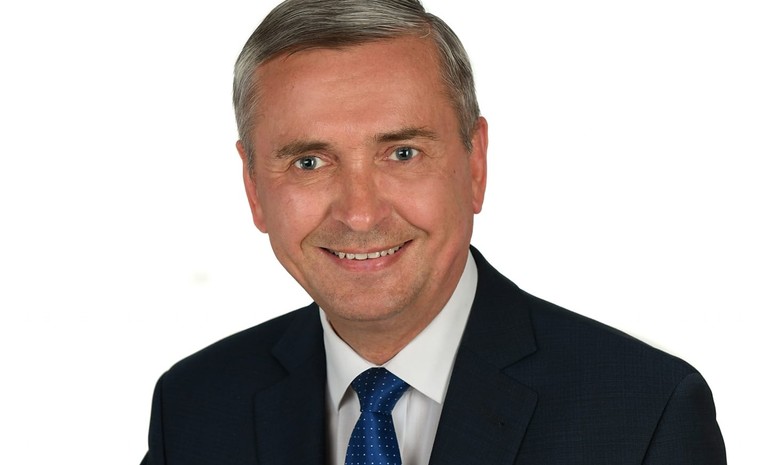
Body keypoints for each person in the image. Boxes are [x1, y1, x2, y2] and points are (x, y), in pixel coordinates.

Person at [140, 0, 726, 463]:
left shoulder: (646, 415)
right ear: (253, 188)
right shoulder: (193, 406)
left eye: (402, 153)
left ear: (476, 165)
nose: (360, 214)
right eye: (309, 162)